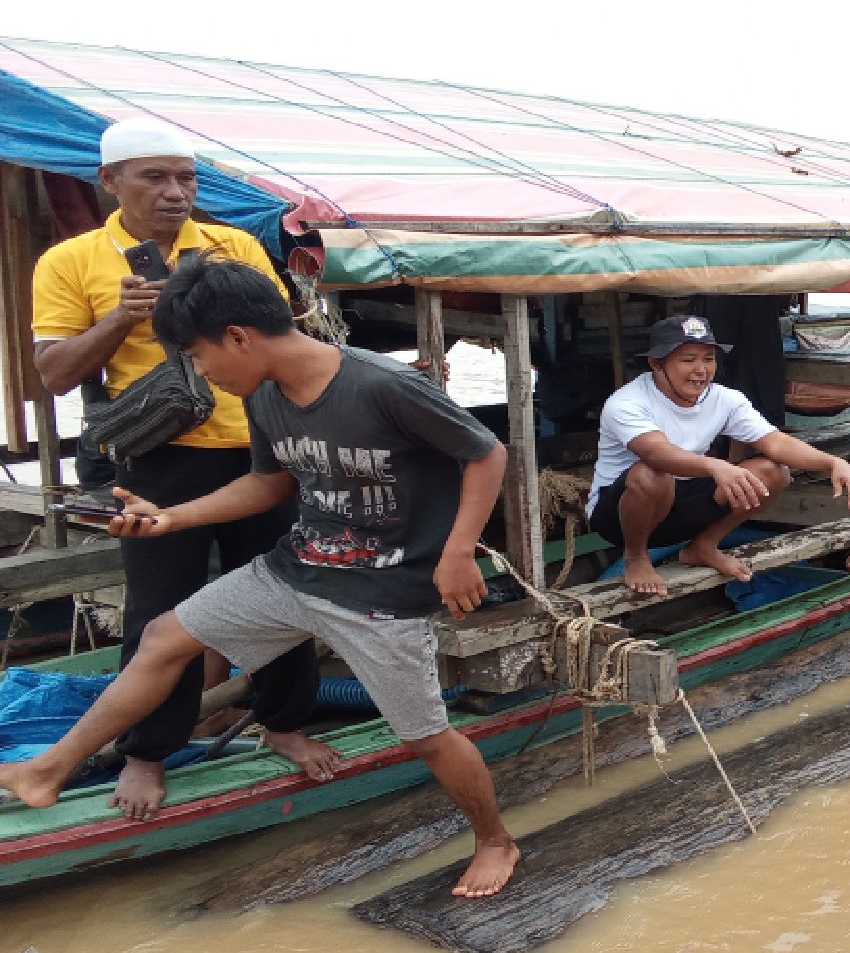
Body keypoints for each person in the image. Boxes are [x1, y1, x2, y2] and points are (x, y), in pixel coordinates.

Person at [1, 258, 520, 896]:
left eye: (199, 355)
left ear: (239, 337)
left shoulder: (380, 385)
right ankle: (49, 768)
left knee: (427, 737)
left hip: (381, 593)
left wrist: (457, 551)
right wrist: (169, 518)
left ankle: (496, 840)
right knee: (165, 637)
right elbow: (267, 483)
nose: (204, 373)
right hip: (296, 569)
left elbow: (485, 451)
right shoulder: (267, 397)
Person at [31, 117, 320, 820]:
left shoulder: (233, 246)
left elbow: (279, 342)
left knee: (285, 589)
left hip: (256, 446)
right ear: (110, 182)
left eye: (185, 177)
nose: (174, 192)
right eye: (154, 177)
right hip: (158, 459)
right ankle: (146, 751)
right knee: (159, 607)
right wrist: (119, 321)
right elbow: (54, 374)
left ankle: (283, 722)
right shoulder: (71, 261)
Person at [587, 314, 850, 597]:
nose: (701, 370)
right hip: (621, 516)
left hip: (683, 502)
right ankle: (636, 558)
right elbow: (657, 453)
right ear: (656, 363)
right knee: (652, 473)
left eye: (708, 359)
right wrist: (716, 466)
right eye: (688, 360)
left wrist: (832, 462)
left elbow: (776, 443)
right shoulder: (627, 402)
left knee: (773, 471)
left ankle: (704, 546)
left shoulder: (725, 399)